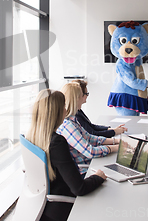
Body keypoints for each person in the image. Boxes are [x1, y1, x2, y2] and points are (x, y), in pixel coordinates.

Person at [26, 89, 106, 221]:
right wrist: (98, 177)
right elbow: (79, 188)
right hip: (61, 205)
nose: (66, 109)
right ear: (57, 112)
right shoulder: (57, 142)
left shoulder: (32, 136)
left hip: (42, 204)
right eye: (64, 106)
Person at [57, 82, 119, 175]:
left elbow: (90, 138)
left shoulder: (73, 120)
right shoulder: (67, 126)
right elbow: (90, 152)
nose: (85, 98)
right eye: (83, 95)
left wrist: (116, 141)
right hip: (84, 171)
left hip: (91, 164)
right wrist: (114, 148)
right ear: (76, 98)